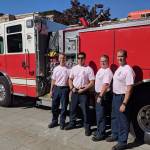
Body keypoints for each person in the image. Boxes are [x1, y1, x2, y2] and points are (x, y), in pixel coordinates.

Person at [106, 50, 135, 150]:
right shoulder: (120, 68)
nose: (119, 58)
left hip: (122, 97)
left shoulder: (128, 70)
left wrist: (124, 103)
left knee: (123, 120)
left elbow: (129, 88)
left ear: (126, 56)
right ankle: (115, 135)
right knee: (114, 117)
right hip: (115, 96)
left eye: (122, 56)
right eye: (118, 56)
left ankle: (122, 142)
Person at [64, 52, 95, 136]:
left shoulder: (89, 69)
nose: (80, 59)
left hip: (84, 92)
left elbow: (92, 82)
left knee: (85, 110)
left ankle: (87, 127)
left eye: (82, 58)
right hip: (75, 91)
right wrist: (71, 88)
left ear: (85, 59)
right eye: (79, 58)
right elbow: (70, 79)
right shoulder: (74, 68)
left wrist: (84, 89)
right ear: (77, 59)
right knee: (72, 109)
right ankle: (72, 123)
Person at [92, 55, 113, 142]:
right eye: (101, 61)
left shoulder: (107, 72)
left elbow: (106, 85)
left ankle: (101, 134)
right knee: (98, 114)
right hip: (98, 94)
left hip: (102, 95)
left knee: (101, 115)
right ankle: (99, 130)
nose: (102, 62)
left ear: (108, 61)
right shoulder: (101, 70)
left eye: (104, 61)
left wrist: (100, 96)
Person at [48, 53, 69, 130]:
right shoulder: (56, 69)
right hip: (56, 89)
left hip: (65, 89)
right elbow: (53, 80)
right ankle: (54, 121)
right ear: (59, 59)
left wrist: (69, 91)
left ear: (65, 59)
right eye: (61, 58)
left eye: (63, 58)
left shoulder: (68, 69)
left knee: (64, 107)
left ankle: (62, 122)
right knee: (54, 106)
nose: (62, 59)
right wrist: (51, 91)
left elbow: (70, 80)